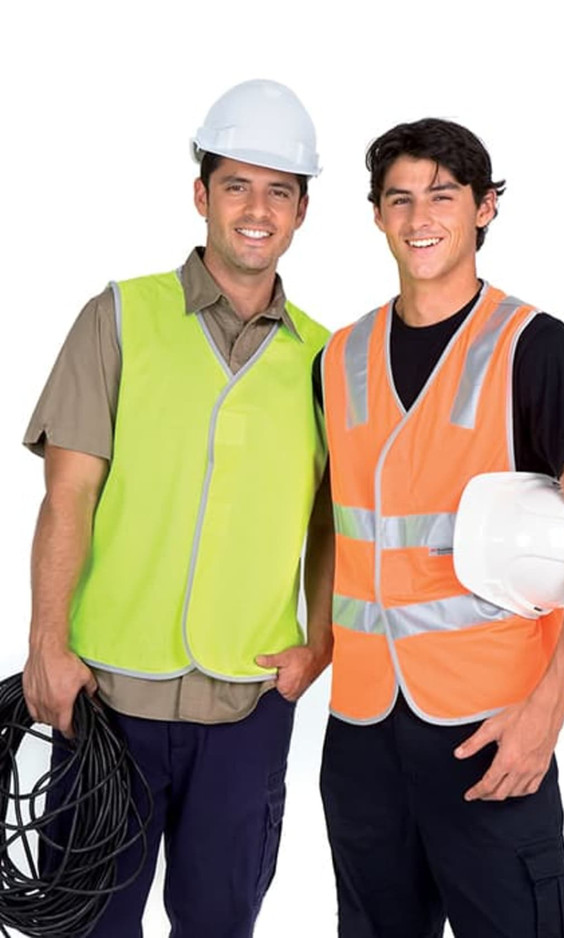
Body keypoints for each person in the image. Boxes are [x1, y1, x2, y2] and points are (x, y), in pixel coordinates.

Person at [316, 118, 564, 938]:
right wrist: (315, 645)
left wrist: (549, 711)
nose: (419, 217)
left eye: (443, 196)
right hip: (359, 735)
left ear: (484, 209)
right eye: (400, 199)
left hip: (491, 734)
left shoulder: (535, 348)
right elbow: (338, 522)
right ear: (376, 217)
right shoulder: (339, 356)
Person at [21, 78, 334, 938]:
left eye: (279, 190)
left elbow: (330, 522)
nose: (256, 209)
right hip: (108, 696)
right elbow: (69, 493)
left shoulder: (327, 360)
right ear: (202, 195)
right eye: (237, 184)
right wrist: (46, 644)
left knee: (220, 924)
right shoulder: (118, 318)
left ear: (303, 210)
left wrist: (322, 643)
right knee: (86, 925)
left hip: (247, 703)